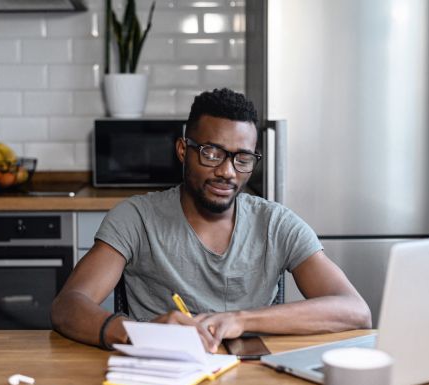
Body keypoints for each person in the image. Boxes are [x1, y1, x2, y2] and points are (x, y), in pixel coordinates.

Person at [51, 88, 371, 353]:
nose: (227, 171)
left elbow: (356, 312)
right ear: (183, 150)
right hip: (158, 380)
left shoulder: (276, 224)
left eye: (241, 158)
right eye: (212, 153)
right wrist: (136, 332)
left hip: (250, 384)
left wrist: (242, 320)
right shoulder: (135, 218)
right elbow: (67, 306)